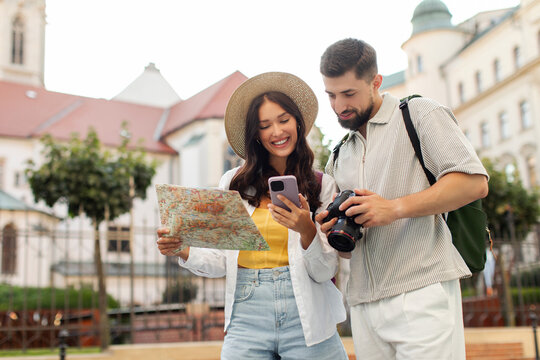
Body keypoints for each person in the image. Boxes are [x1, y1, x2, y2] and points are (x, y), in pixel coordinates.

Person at [315, 38, 489, 360]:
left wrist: (393, 208)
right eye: (332, 95)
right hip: (364, 303)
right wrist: (330, 228)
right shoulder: (339, 154)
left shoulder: (419, 113)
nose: (339, 105)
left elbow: (473, 183)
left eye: (349, 93)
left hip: (421, 292)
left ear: (375, 82)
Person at [157, 72, 348, 359]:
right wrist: (183, 250)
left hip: (307, 314)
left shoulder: (321, 185)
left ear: (297, 122)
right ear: (255, 133)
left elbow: (324, 272)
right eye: (265, 125)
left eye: (283, 120)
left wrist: (307, 230)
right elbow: (222, 260)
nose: (277, 132)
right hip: (246, 317)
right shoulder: (233, 183)